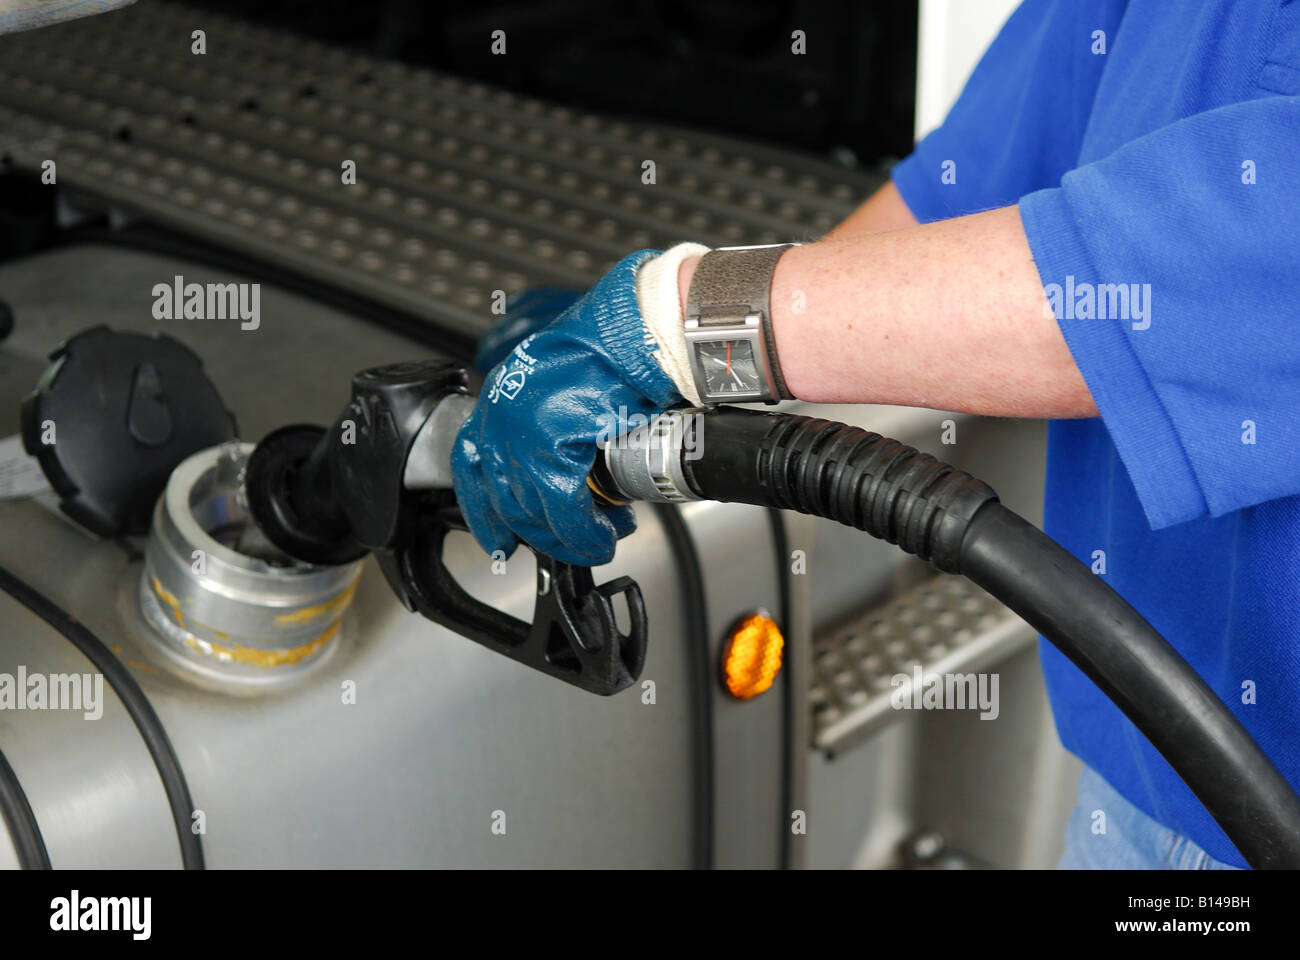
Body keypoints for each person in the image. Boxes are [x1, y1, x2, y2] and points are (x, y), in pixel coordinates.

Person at [452, 0, 1300, 870]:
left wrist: (671, 321)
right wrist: (663, 364)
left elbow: (1170, 281)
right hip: (1152, 781)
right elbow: (961, 194)